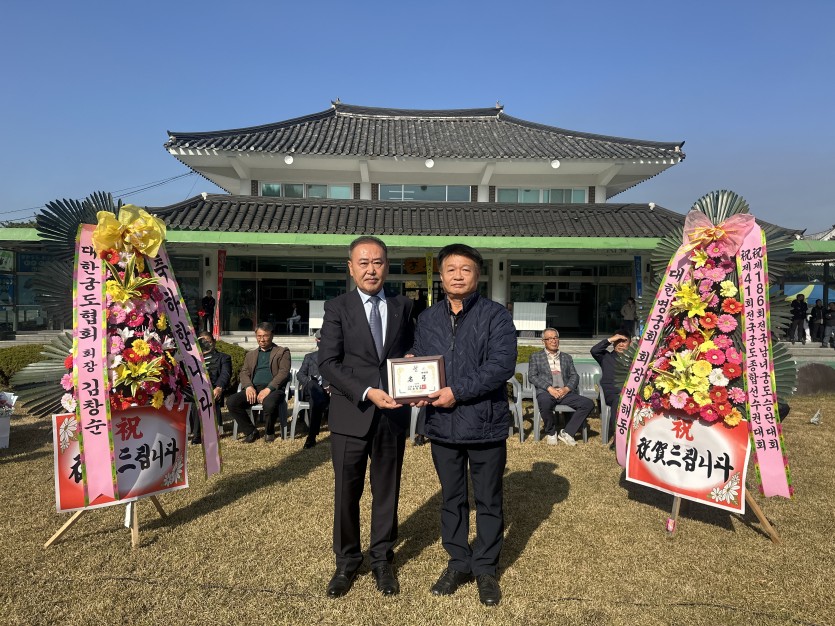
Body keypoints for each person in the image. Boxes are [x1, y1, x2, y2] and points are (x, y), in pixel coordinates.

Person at [410, 243, 517, 607]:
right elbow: (422, 358)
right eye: (451, 269)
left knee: (488, 500)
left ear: (477, 274)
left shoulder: (496, 316)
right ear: (441, 276)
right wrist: (412, 371)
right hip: (442, 425)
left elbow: (501, 366)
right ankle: (458, 561)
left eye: (465, 269)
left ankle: (485, 567)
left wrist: (456, 392)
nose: (458, 275)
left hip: (485, 423)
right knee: (452, 498)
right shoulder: (428, 318)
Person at [317, 236, 414, 599]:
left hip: (392, 414)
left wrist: (413, 361)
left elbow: (411, 350)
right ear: (351, 267)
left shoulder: (404, 305)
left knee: (387, 490)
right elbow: (328, 363)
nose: (371, 269)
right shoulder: (337, 307)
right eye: (363, 262)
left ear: (387, 266)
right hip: (351, 413)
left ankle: (382, 559)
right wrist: (367, 391)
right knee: (347, 491)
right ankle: (346, 560)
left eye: (377, 262)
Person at [528, 328, 595, 446]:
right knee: (544, 402)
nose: (553, 341)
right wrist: (549, 388)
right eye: (549, 338)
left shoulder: (566, 357)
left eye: (555, 338)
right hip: (547, 392)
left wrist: (566, 389)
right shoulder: (536, 356)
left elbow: (574, 375)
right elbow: (532, 376)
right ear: (543, 341)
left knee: (588, 404)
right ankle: (551, 432)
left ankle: (567, 432)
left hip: (565, 392)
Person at [226, 322, 291, 443]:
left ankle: (269, 431)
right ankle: (251, 431)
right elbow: (244, 372)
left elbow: (283, 373)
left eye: (265, 336)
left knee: (269, 404)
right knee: (232, 401)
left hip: (274, 389)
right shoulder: (250, 354)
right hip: (254, 388)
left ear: (272, 335)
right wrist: (248, 387)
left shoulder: (282, 352)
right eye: (259, 336)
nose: (262, 340)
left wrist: (268, 389)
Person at [190, 331, 233, 444]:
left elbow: (225, 374)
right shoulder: (192, 359)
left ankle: (200, 435)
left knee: (203, 398)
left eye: (208, 342)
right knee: (195, 399)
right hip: (195, 389)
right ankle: (196, 433)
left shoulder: (224, 358)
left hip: (214, 388)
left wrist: (219, 387)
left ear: (214, 342)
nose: (206, 344)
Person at [296, 330, 330, 449]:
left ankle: (311, 436)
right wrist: (309, 381)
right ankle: (312, 434)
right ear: (316, 340)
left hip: (328, 392)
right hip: (312, 389)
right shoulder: (309, 357)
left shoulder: (335, 357)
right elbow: (300, 374)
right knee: (313, 385)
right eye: (320, 339)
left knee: (316, 400)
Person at [590, 332, 630, 410]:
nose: (621, 344)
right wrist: (610, 339)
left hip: (630, 393)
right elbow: (594, 351)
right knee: (619, 400)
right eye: (618, 341)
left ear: (630, 343)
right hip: (612, 394)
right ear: (613, 343)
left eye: (624, 341)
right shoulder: (606, 357)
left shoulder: (635, 360)